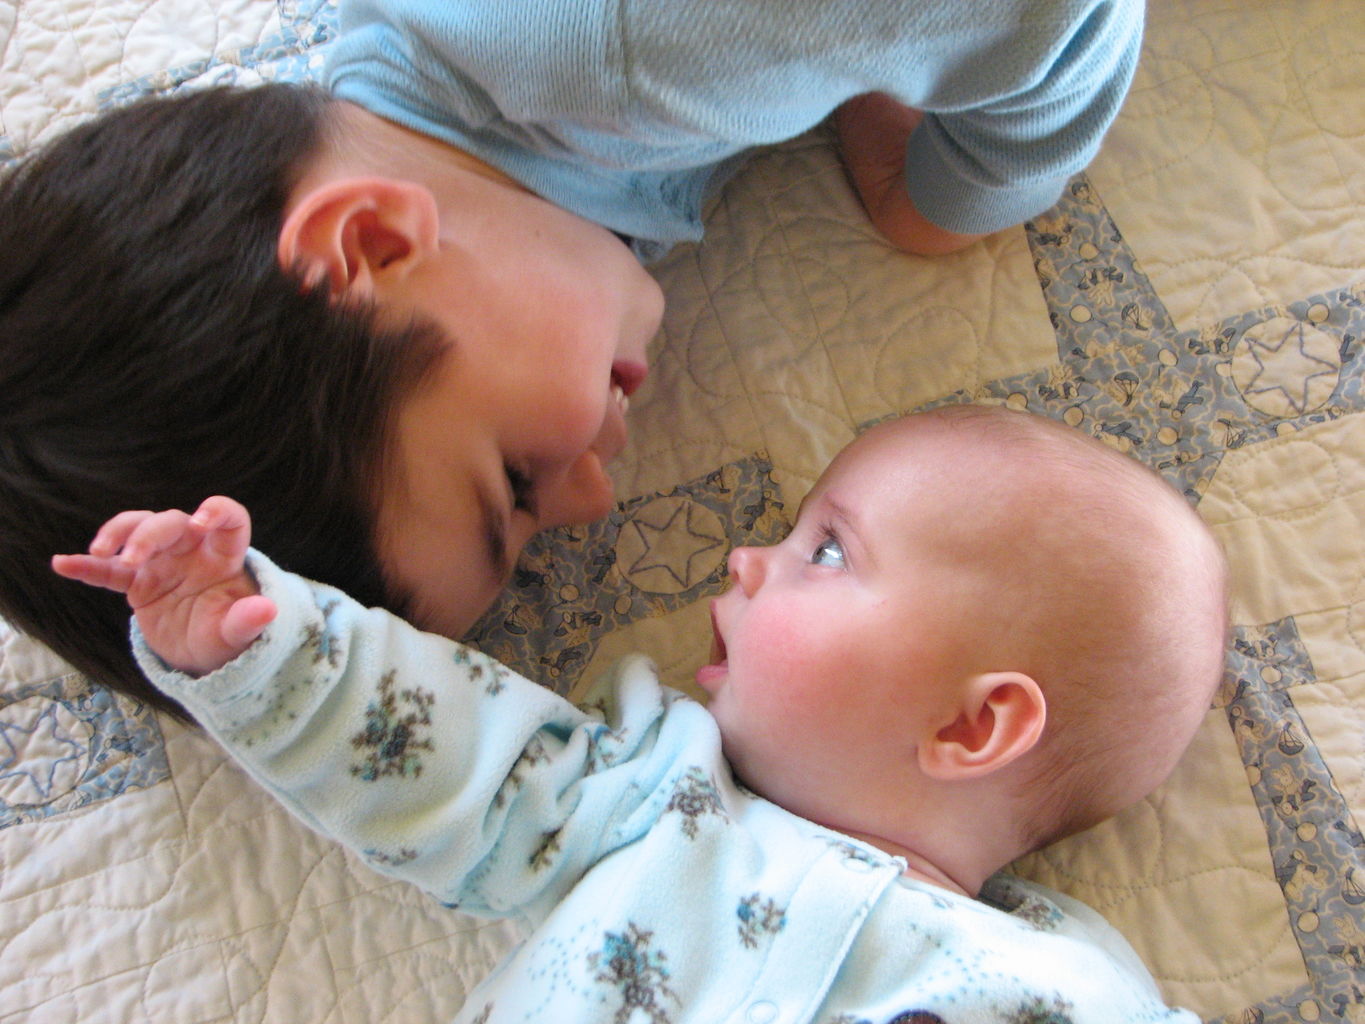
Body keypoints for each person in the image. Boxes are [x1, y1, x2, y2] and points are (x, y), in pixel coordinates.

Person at [0, 0, 1144, 719]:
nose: (597, 493)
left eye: (512, 484)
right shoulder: (502, 127)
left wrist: (936, 199)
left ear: (374, 243)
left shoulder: (641, 50)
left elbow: (1063, 17)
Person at [55, 405, 1226, 1021]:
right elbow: (446, 753)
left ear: (972, 729)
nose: (746, 558)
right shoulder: (648, 797)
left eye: (827, 549)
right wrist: (274, 642)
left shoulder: (1060, 991)